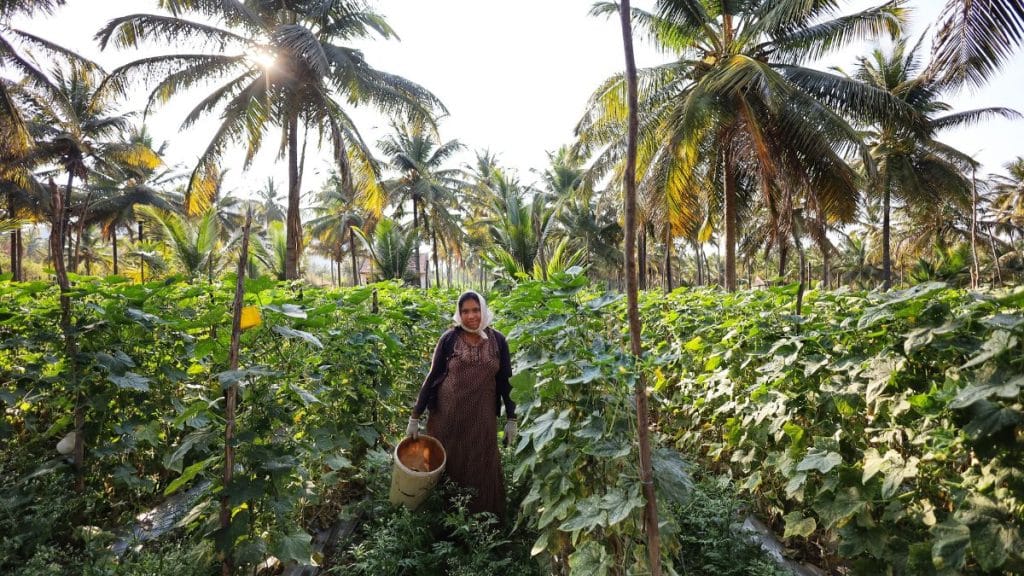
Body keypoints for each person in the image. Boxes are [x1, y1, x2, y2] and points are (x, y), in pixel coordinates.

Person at [406, 290, 516, 518]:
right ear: (459, 314)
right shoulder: (449, 339)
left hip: (481, 419)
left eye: (475, 310)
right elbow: (432, 375)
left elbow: (506, 382)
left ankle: (482, 522)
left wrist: (511, 419)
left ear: (483, 310)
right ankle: (447, 522)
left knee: (481, 466)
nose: (471, 316)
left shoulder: (498, 341)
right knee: (450, 465)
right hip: (448, 418)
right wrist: (414, 417)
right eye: (465, 311)